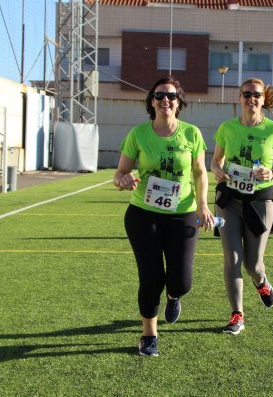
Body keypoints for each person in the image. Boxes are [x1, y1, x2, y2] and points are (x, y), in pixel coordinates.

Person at [113, 77, 215, 356]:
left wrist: (203, 204)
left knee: (182, 281)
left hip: (182, 214)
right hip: (143, 214)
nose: (165, 100)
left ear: (179, 101)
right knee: (150, 277)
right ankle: (149, 334)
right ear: (151, 101)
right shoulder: (138, 134)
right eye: (159, 96)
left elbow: (199, 172)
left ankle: (173, 296)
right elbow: (119, 173)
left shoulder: (191, 134)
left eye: (171, 96)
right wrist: (124, 180)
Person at [210, 77, 273, 335]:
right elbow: (215, 160)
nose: (251, 98)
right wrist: (217, 171)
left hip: (259, 202)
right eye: (246, 94)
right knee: (231, 259)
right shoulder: (227, 128)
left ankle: (262, 282)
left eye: (256, 94)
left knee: (253, 264)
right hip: (229, 202)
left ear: (263, 99)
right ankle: (237, 315)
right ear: (239, 98)